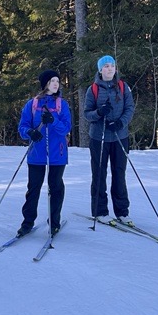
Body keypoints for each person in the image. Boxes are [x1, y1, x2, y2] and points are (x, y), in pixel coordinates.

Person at [16, 69, 72, 237]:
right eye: (52, 81)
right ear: (45, 84)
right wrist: (30, 132)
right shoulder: (32, 104)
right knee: (33, 189)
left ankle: (54, 222)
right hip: (37, 155)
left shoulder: (62, 104)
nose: (56, 84)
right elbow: (22, 127)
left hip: (57, 154)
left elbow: (66, 128)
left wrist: (53, 121)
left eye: (57, 81)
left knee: (55, 188)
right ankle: (27, 222)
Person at [83, 54, 134, 223]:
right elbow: (86, 114)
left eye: (112, 66)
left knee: (119, 173)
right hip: (99, 137)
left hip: (120, 136)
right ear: (100, 70)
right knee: (99, 173)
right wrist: (99, 113)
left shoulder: (123, 86)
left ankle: (122, 212)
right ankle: (100, 211)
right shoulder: (93, 89)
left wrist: (120, 123)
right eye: (106, 66)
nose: (109, 69)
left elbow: (129, 108)